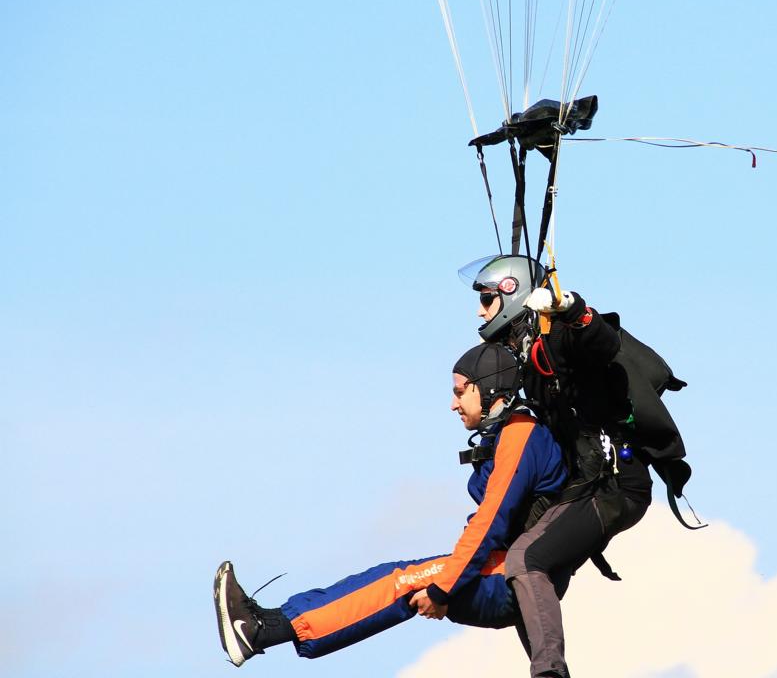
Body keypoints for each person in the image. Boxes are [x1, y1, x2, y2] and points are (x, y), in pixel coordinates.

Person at [212, 342, 566, 667]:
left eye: (460, 392)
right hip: (502, 569)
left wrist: (443, 588)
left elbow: (490, 523)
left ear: (487, 388)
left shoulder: (520, 433)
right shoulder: (509, 433)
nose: (453, 404)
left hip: (507, 576)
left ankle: (262, 629)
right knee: (396, 575)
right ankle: (266, 626)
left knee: (400, 581)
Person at [460, 254, 669, 678]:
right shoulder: (524, 352)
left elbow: (601, 344)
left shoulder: (556, 335)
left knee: (525, 559)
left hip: (614, 487)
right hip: (581, 486)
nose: (480, 312)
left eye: (486, 299)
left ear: (511, 294)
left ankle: (549, 673)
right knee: (516, 570)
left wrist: (572, 309)